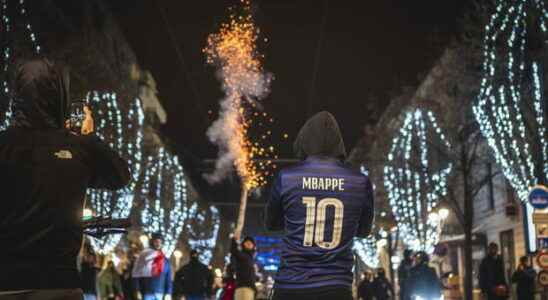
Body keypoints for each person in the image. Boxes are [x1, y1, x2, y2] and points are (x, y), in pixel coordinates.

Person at [0, 59, 130, 299]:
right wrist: (90, 138)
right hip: (59, 284)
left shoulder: (4, 144)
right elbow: (120, 176)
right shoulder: (78, 147)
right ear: (60, 96)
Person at [265, 111, 375, 300]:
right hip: (336, 286)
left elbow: (271, 223)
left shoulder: (287, 177)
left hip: (291, 284)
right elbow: (364, 231)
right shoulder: (360, 181)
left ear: (305, 140)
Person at [132, 232, 173, 300]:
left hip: (160, 293)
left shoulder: (165, 261)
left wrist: (168, 293)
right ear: (152, 242)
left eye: (160, 242)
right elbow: (136, 275)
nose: (158, 244)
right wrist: (137, 290)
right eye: (156, 241)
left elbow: (168, 278)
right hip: (147, 292)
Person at [230, 235, 257, 300]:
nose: (249, 243)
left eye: (251, 243)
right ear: (243, 244)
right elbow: (234, 251)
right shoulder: (242, 255)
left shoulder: (250, 258)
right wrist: (234, 240)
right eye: (247, 242)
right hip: (243, 287)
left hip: (250, 289)